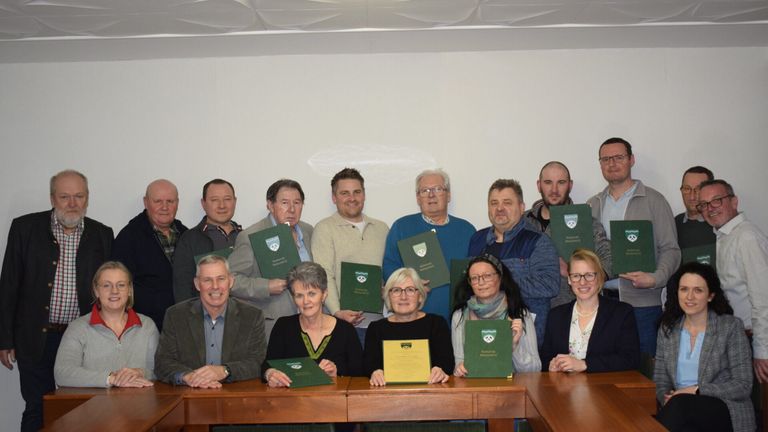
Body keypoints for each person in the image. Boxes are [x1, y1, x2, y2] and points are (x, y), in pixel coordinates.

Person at [0, 169, 113, 432]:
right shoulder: (24, 228)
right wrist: (4, 339)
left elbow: (109, 289)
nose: (72, 204)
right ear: (52, 199)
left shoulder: (102, 234)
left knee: (82, 409)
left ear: (87, 198)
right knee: (38, 408)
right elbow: (9, 285)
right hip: (35, 338)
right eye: (65, 197)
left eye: (79, 196)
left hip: (83, 339)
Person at [587, 137, 680, 356]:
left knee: (644, 371)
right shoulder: (592, 204)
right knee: (606, 371)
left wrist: (656, 278)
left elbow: (672, 250)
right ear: (600, 164)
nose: (612, 163)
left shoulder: (654, 200)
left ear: (631, 160)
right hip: (601, 303)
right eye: (606, 159)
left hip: (643, 305)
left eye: (619, 157)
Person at [654, 262, 754, 432]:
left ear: (710, 295)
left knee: (681, 404)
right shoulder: (667, 329)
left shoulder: (730, 327)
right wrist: (666, 398)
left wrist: (696, 390)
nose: (689, 297)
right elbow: (660, 380)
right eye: (684, 289)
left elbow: (743, 385)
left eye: (698, 290)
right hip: (679, 412)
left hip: (723, 408)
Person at [468, 179, 560, 343]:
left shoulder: (538, 241)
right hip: (483, 333)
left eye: (507, 203)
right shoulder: (477, 240)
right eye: (494, 203)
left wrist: (501, 283)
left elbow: (550, 284)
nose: (500, 208)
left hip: (524, 335)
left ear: (522, 207)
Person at [154, 255, 266, 387]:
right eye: (207, 280)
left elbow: (258, 362)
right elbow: (162, 362)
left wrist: (225, 370)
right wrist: (187, 376)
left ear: (231, 281)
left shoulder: (252, 316)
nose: (215, 286)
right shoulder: (176, 316)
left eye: (221, 279)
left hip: (235, 398)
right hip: (189, 397)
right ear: (197, 284)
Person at [698, 179, 768, 383]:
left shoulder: (746, 237)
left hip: (753, 339)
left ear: (734, 201)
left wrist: (763, 351)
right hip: (736, 336)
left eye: (716, 201)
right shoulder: (722, 237)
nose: (710, 208)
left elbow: (763, 298)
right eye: (704, 204)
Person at [383, 169, 475, 324]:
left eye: (438, 189)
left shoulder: (467, 230)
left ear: (449, 195)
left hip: (458, 320)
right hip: (413, 317)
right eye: (425, 191)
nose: (431, 195)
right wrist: (410, 285)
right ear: (418, 198)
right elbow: (389, 267)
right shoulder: (402, 227)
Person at [229, 179, 313, 342]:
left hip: (310, 323)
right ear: (270, 204)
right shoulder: (251, 235)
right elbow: (231, 280)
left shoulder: (308, 231)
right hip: (274, 325)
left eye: (297, 202)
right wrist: (265, 287)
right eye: (284, 203)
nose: (292, 209)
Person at [311, 168, 389, 343]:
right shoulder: (324, 228)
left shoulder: (382, 228)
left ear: (364, 195)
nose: (352, 198)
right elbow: (324, 274)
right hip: (339, 325)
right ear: (334, 197)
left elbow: (389, 270)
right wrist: (337, 311)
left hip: (378, 324)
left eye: (357, 192)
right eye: (344, 193)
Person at [54, 261, 158, 387]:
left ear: (130, 290)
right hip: (92, 405)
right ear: (96, 291)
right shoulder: (78, 328)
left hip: (140, 404)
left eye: (121, 285)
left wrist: (141, 373)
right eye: (106, 286)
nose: (114, 291)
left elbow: (159, 370)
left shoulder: (147, 326)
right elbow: (62, 373)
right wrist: (111, 378)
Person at [524, 161, 612, 308]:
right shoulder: (522, 222)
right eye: (548, 182)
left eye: (561, 182)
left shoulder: (586, 221)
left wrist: (574, 272)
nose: (554, 189)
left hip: (573, 310)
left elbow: (610, 260)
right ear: (539, 185)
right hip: (530, 311)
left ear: (570, 185)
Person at [263, 262, 362, 387]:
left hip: (335, 403)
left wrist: (337, 373)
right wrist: (270, 373)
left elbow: (359, 375)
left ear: (324, 294)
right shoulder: (283, 327)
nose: (306, 301)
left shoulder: (345, 330)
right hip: (293, 402)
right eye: (299, 295)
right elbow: (267, 364)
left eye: (311, 294)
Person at [539, 249, 639, 373]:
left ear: (599, 278)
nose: (582, 282)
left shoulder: (622, 313)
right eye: (576, 276)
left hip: (607, 389)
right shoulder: (556, 315)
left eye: (589, 275)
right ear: (569, 280)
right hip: (565, 389)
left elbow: (630, 359)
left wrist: (584, 364)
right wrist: (551, 365)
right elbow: (545, 359)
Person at [112, 179, 188, 330]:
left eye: (170, 201)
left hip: (182, 323)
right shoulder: (128, 237)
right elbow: (120, 287)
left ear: (177, 203)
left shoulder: (186, 234)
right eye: (158, 201)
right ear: (146, 202)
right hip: (144, 327)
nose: (164, 207)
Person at [452, 254, 541, 375]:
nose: (481, 282)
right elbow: (458, 365)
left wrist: (514, 346)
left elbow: (534, 369)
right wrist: (460, 369)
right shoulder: (460, 316)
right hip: (474, 389)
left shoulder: (520, 314)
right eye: (474, 278)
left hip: (512, 388)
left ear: (500, 277)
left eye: (487, 276)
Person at [365, 268, 454, 386]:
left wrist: (439, 370)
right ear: (388, 297)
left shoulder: (437, 324)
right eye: (396, 290)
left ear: (420, 296)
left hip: (430, 393)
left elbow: (447, 362)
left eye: (410, 290)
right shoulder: (376, 328)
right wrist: (375, 372)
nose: (403, 297)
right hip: (387, 396)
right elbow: (368, 365)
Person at [173, 178, 242, 303]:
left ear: (235, 202)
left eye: (227, 199)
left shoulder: (245, 236)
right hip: (205, 317)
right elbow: (182, 287)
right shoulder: (190, 240)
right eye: (214, 200)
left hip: (245, 315)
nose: (222, 205)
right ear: (203, 203)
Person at [675, 166, 716, 256]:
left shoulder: (719, 226)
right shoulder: (674, 223)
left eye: (698, 189)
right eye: (687, 189)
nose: (692, 196)